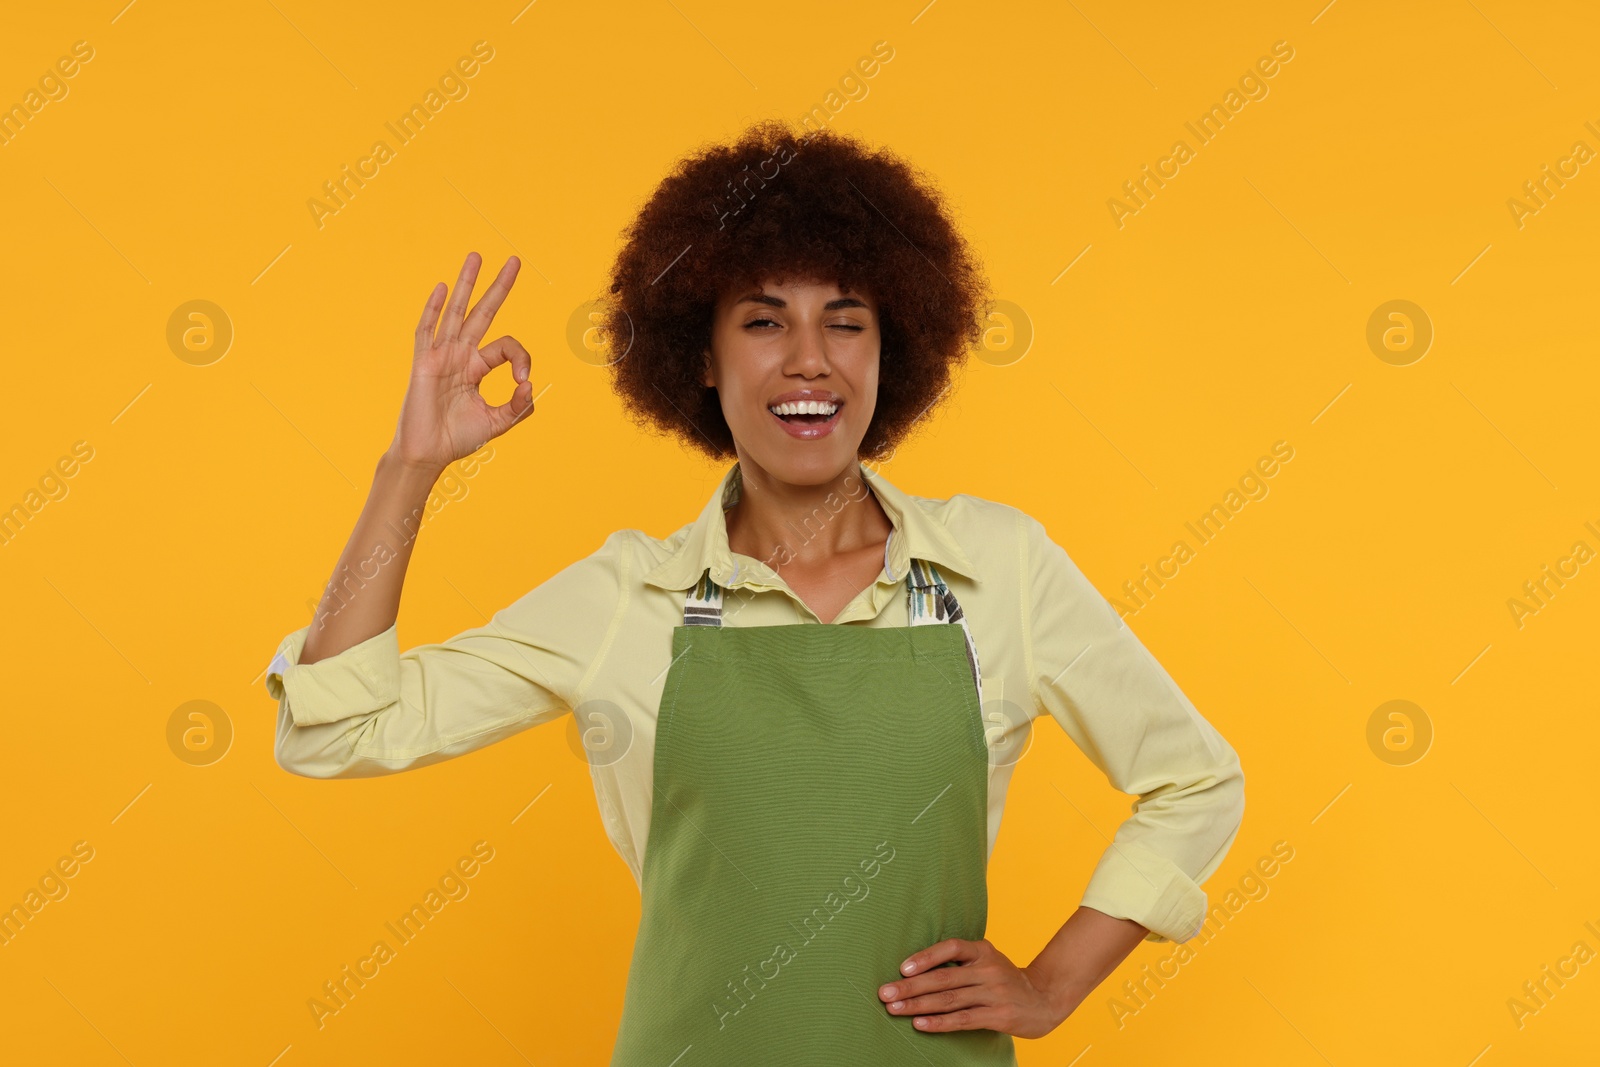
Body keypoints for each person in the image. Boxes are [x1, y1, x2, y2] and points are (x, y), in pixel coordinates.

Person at [265, 120, 1244, 1064]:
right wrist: (410, 467)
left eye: (845, 322)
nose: (808, 358)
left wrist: (1054, 979)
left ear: (886, 351)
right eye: (765, 321)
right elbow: (337, 729)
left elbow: (1196, 779)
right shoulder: (627, 594)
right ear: (700, 353)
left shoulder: (1001, 568)